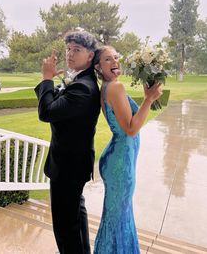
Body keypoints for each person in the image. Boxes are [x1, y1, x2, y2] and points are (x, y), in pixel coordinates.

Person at [34, 30, 100, 254]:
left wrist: (46, 78)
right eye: (68, 49)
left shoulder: (84, 87)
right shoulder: (81, 79)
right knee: (75, 215)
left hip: (68, 166)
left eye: (77, 50)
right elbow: (54, 105)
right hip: (74, 163)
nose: (70, 54)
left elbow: (47, 112)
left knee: (64, 227)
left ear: (90, 55)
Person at [93, 46, 162, 254]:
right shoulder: (115, 88)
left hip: (118, 157)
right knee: (117, 220)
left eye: (116, 57)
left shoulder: (107, 86)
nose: (115, 62)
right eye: (107, 60)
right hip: (120, 163)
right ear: (98, 66)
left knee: (118, 216)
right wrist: (148, 99)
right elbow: (131, 129)